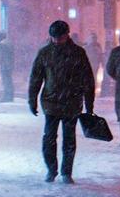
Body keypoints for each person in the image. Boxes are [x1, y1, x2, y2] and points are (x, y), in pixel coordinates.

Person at [28, 20, 95, 184]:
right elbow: (36, 78)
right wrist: (32, 100)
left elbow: (87, 80)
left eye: (60, 37)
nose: (57, 41)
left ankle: (66, 172)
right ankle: (52, 169)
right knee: (49, 138)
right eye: (54, 38)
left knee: (69, 139)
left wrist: (89, 103)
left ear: (67, 35)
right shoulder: (45, 53)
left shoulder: (78, 53)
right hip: (52, 103)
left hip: (71, 103)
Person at [0, 31, 15, 101]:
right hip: (10, 64)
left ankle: (7, 96)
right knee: (9, 81)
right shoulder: (9, 43)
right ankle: (10, 96)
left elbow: (1, 55)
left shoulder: (1, 44)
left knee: (6, 81)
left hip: (4, 65)